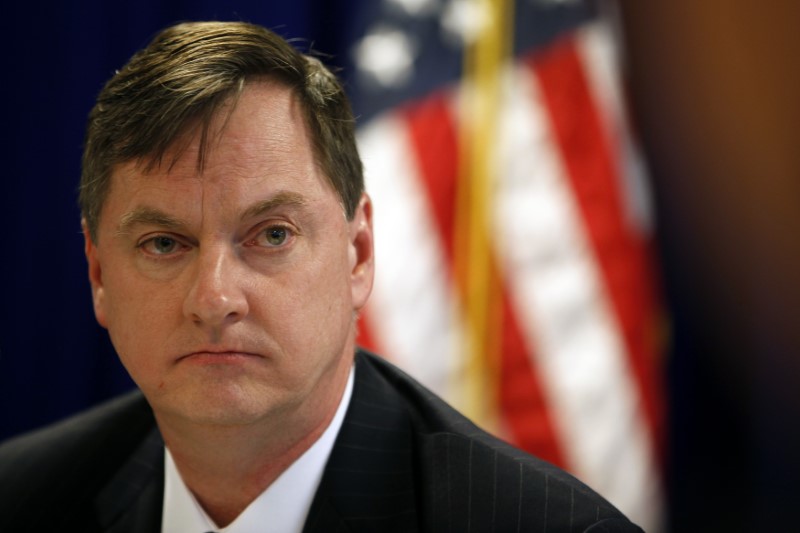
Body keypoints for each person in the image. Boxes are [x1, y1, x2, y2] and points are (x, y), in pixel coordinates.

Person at [0, 21, 643, 532]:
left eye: (272, 235)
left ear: (357, 254)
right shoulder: (21, 499)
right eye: (164, 243)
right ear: (98, 275)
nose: (215, 298)